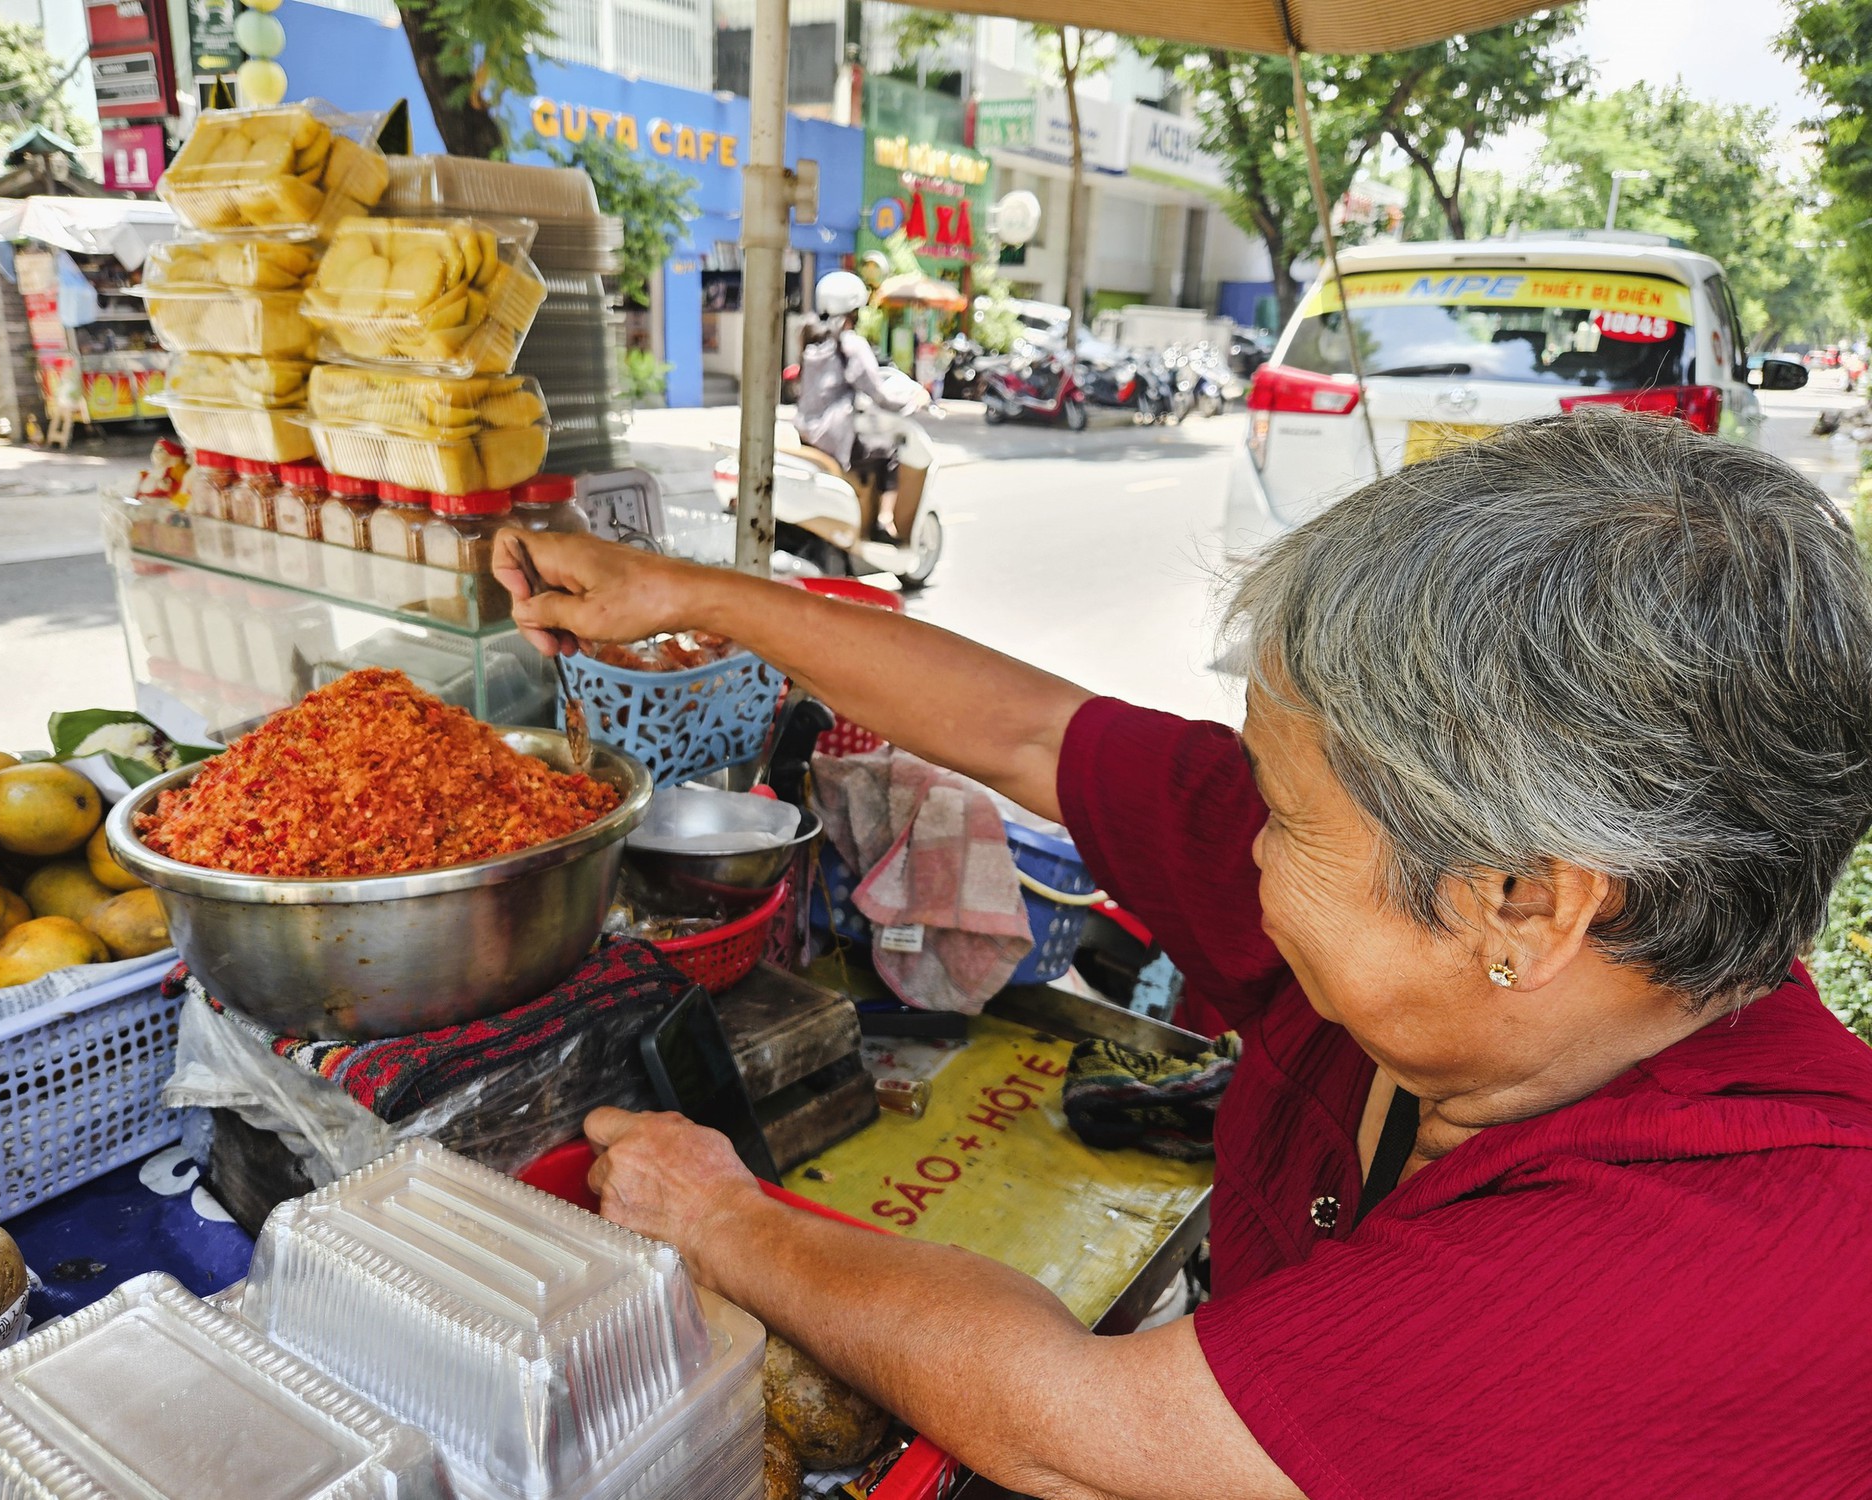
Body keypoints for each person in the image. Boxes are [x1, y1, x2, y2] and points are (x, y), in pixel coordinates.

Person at [491, 410, 1872, 1497]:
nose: (1240, 836)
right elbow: (1041, 735)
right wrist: (686, 595)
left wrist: (716, 1216)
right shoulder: (1451, 946)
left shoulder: (1723, 1254)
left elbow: (1070, 1431)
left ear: (1528, 907)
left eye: (1279, 810)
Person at [796, 270, 918, 543]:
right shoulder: (851, 343)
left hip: (804, 430)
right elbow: (879, 395)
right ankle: (883, 521)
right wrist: (913, 401)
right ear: (855, 310)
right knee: (890, 450)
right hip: (832, 436)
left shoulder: (810, 338)